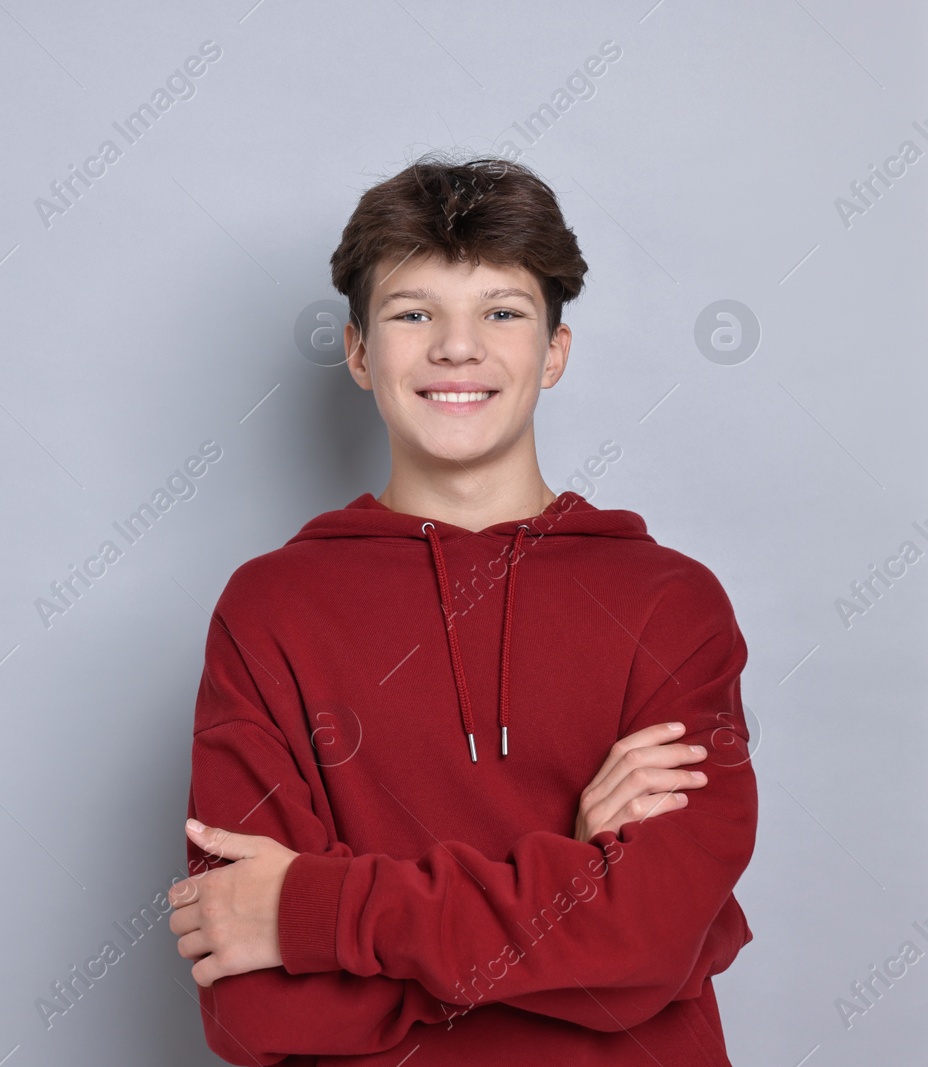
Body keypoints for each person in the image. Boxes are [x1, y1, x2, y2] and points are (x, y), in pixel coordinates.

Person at [168, 154, 756, 1065]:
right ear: (361, 353)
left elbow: (649, 944)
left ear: (553, 351)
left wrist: (319, 913)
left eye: (502, 312)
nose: (456, 347)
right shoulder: (269, 610)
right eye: (414, 313)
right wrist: (577, 885)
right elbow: (258, 1010)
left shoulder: (673, 605)